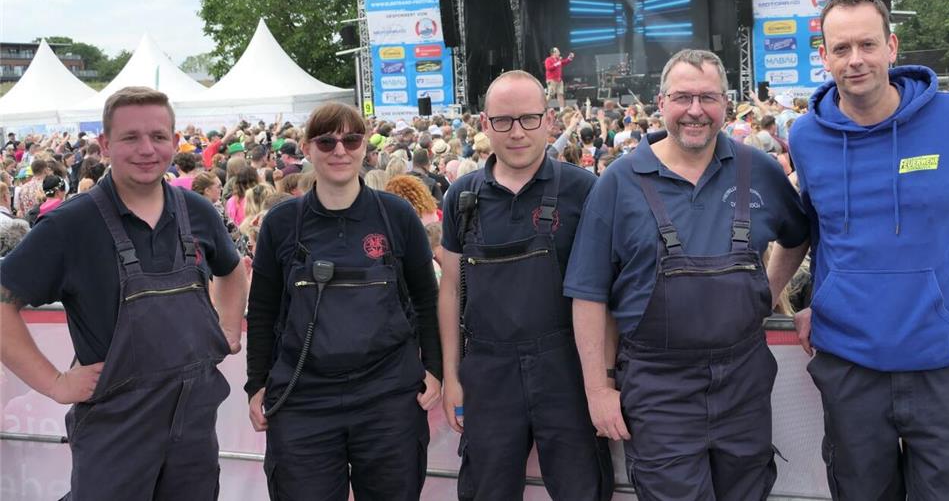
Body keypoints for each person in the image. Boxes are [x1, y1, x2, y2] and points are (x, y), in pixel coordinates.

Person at [788, 0, 949, 500]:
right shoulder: (805, 136)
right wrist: (815, 301)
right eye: (841, 49)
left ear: (892, 46)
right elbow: (819, 231)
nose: (856, 60)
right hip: (850, 367)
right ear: (823, 56)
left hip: (944, 368)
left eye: (867, 44)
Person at [565, 50, 809, 500]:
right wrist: (597, 388)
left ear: (726, 103)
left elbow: (799, 236)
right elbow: (588, 294)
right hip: (658, 388)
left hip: (744, 381)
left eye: (708, 97)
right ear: (661, 103)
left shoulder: (760, 171)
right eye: (682, 98)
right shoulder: (618, 182)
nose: (695, 110)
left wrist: (766, 292)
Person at [0, 86, 247, 500]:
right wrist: (56, 383)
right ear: (105, 144)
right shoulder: (70, 226)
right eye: (131, 137)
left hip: (193, 429)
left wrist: (228, 328)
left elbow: (234, 270)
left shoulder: (197, 212)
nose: (147, 149)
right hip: (116, 431)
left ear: (174, 140)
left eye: (159, 136)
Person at [245, 102, 441, 500]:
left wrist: (434, 369)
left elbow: (426, 301)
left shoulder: (397, 215)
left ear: (365, 145)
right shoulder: (281, 224)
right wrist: (256, 384)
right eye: (327, 140)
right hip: (303, 398)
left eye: (351, 139)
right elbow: (263, 312)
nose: (340, 150)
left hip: (388, 397)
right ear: (307, 147)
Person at [439, 70, 613, 501]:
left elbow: (607, 293)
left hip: (567, 371)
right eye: (503, 120)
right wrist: (451, 375)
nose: (517, 132)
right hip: (488, 372)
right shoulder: (462, 197)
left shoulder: (585, 189)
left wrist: (604, 378)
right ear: (484, 124)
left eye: (529, 119)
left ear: (549, 120)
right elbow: (451, 292)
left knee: (582, 490)